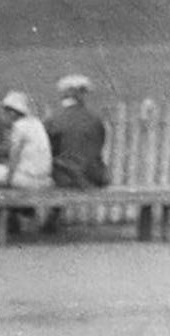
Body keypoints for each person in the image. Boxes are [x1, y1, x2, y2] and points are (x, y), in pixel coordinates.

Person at [0, 91, 52, 237]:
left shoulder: (19, 127)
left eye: (6, 112)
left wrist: (8, 180)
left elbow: (14, 157)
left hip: (29, 179)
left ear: (13, 112)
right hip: (43, 178)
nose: (4, 116)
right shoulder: (36, 124)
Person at [42, 74, 111, 234]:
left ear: (64, 94)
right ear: (83, 95)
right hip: (93, 176)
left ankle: (49, 219)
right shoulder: (95, 119)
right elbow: (99, 146)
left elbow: (49, 151)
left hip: (65, 177)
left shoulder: (54, 119)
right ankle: (52, 219)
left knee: (60, 169)